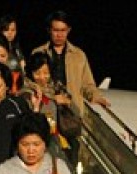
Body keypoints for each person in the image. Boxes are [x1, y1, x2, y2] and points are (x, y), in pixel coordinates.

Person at [31, 10, 109, 164]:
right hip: (47, 113)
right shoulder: (39, 53)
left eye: (63, 30)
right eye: (55, 30)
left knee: (70, 158)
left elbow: (87, 84)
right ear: (49, 30)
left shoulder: (79, 55)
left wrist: (95, 96)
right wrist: (53, 98)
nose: (59, 34)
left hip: (70, 114)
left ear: (68, 31)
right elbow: (31, 83)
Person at [0, 15, 27, 81]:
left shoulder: (17, 50)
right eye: (6, 30)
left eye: (13, 30)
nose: (10, 33)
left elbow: (23, 70)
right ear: (1, 31)